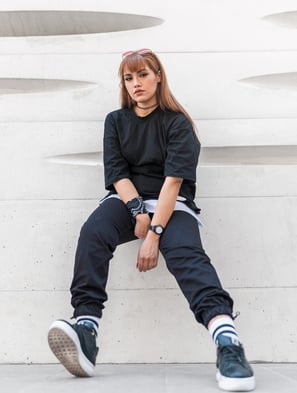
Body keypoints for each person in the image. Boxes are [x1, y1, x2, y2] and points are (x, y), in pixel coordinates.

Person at [48, 49, 255, 391]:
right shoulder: (115, 121)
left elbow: (173, 182)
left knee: (187, 254)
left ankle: (227, 342)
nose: (136, 84)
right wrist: (135, 212)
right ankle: (86, 328)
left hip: (171, 204)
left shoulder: (177, 123)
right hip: (129, 200)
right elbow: (118, 173)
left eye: (142, 74)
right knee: (93, 233)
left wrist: (154, 232)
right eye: (128, 78)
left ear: (158, 76)